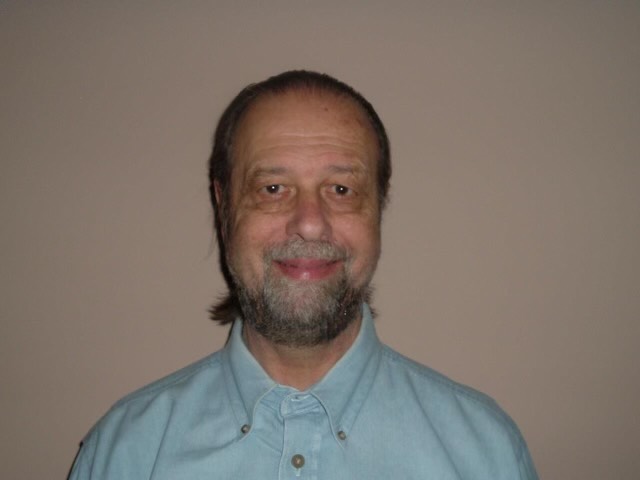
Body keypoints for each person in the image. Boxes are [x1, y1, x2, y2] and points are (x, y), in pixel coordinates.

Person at [68, 70, 538, 479]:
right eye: (273, 188)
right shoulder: (125, 452)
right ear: (223, 206)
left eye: (341, 189)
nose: (310, 223)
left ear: (380, 207)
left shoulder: (485, 452)